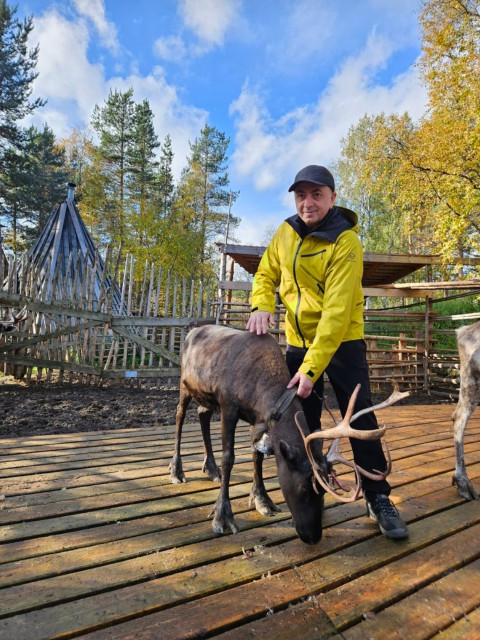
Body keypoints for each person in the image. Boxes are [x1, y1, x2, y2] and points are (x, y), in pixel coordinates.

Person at [246, 164, 408, 539]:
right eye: (301, 195)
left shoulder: (346, 242)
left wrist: (312, 368)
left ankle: (378, 497)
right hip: (298, 343)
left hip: (342, 344)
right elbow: (265, 273)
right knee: (303, 424)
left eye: (316, 194)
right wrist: (260, 305)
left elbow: (335, 316)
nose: (307, 202)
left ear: (333, 198)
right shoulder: (285, 233)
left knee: (361, 418)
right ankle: (312, 490)